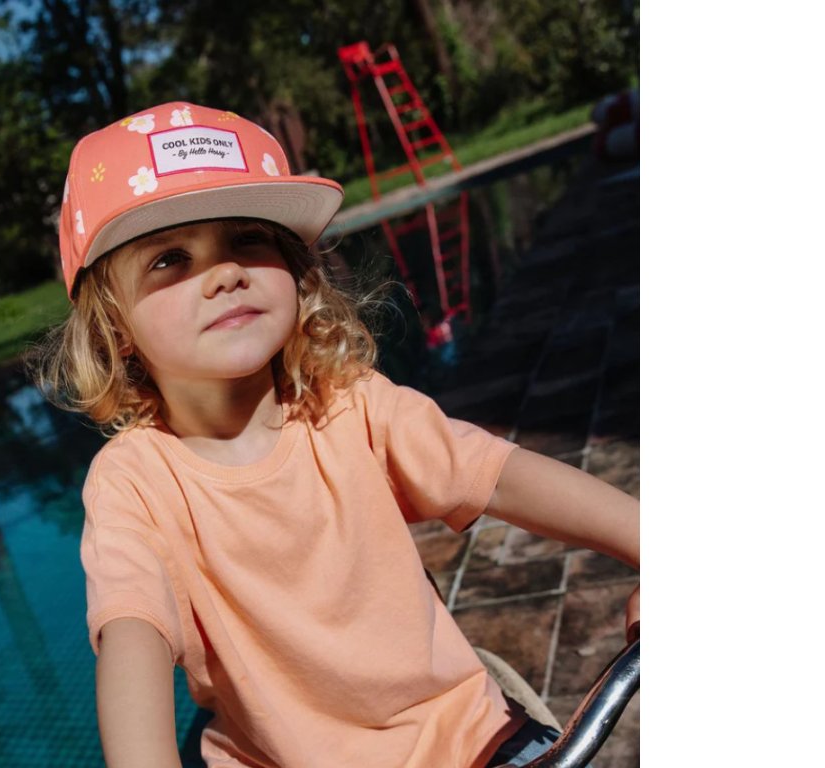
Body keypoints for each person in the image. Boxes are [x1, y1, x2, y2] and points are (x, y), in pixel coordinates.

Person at [31, 101, 639, 768]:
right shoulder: (135, 483)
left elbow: (499, 474)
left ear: (295, 271)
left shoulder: (350, 407)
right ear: (114, 326)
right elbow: (131, 632)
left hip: (465, 740)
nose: (226, 272)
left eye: (249, 239)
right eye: (170, 259)